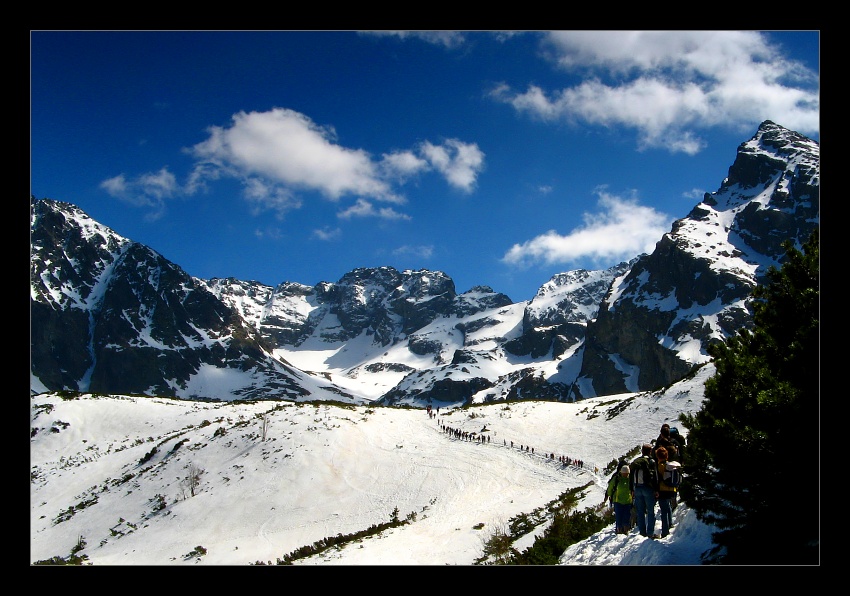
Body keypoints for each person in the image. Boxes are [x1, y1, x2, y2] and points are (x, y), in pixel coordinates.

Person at [630, 443, 660, 539]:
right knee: (650, 511)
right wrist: (656, 489)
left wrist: (632, 489)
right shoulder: (651, 461)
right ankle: (650, 532)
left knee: (640, 511)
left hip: (637, 488)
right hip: (648, 488)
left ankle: (642, 532)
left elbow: (631, 476)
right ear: (650, 451)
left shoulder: (636, 461)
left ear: (642, 451)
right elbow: (655, 476)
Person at [655, 446, 676, 538]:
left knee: (664, 511)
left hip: (662, 490)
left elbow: (657, 479)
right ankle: (670, 524)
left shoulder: (659, 466)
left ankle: (665, 532)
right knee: (668, 507)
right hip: (672, 489)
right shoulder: (670, 465)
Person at [606, 464, 633, 535]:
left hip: (618, 500)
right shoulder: (630, 479)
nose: (625, 474)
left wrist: (610, 495)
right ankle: (625, 528)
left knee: (619, 515)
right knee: (626, 515)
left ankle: (619, 529)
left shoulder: (617, 479)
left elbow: (610, 488)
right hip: (627, 500)